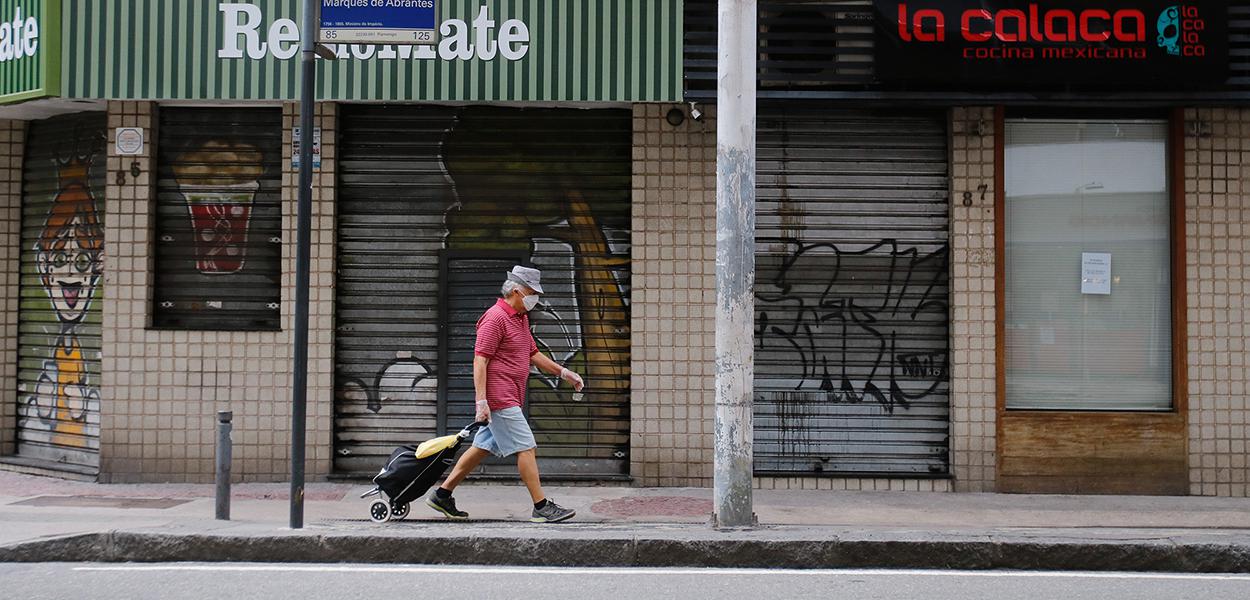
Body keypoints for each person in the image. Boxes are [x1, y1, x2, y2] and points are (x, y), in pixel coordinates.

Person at [426, 265, 585, 523]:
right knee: (527, 447)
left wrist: (564, 373)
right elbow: (480, 361)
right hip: (500, 398)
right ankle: (541, 506)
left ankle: (442, 495)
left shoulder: (519, 318)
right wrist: (481, 401)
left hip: (511, 394)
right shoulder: (495, 318)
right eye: (532, 292)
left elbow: (532, 354)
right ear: (516, 290)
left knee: (482, 447)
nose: (536, 298)